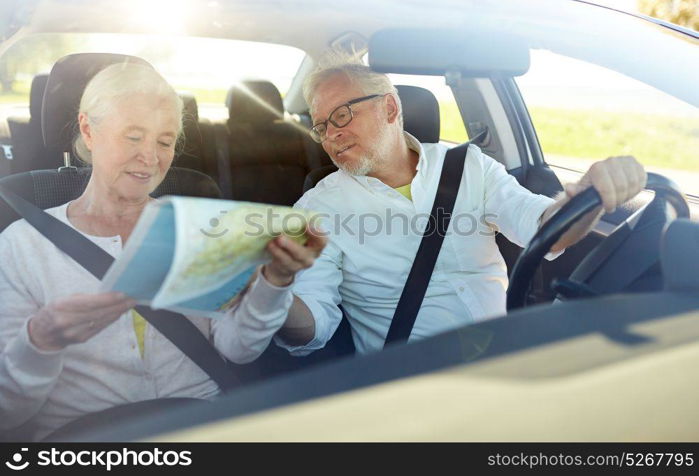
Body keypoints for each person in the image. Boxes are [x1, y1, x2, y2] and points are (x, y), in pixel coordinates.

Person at [0, 63, 326, 440]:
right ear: (89, 130)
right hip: (85, 440)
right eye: (133, 137)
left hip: (202, 427)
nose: (150, 158)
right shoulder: (21, 246)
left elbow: (238, 350)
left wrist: (276, 282)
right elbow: (8, 413)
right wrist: (39, 340)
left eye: (165, 141)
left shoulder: (201, 228)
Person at [272, 58, 647, 356]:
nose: (332, 134)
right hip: (414, 385)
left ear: (389, 108)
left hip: (507, 357)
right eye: (321, 126)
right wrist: (267, 296)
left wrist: (585, 194)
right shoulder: (318, 208)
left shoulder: (469, 166)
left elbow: (545, 230)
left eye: (342, 115)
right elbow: (314, 323)